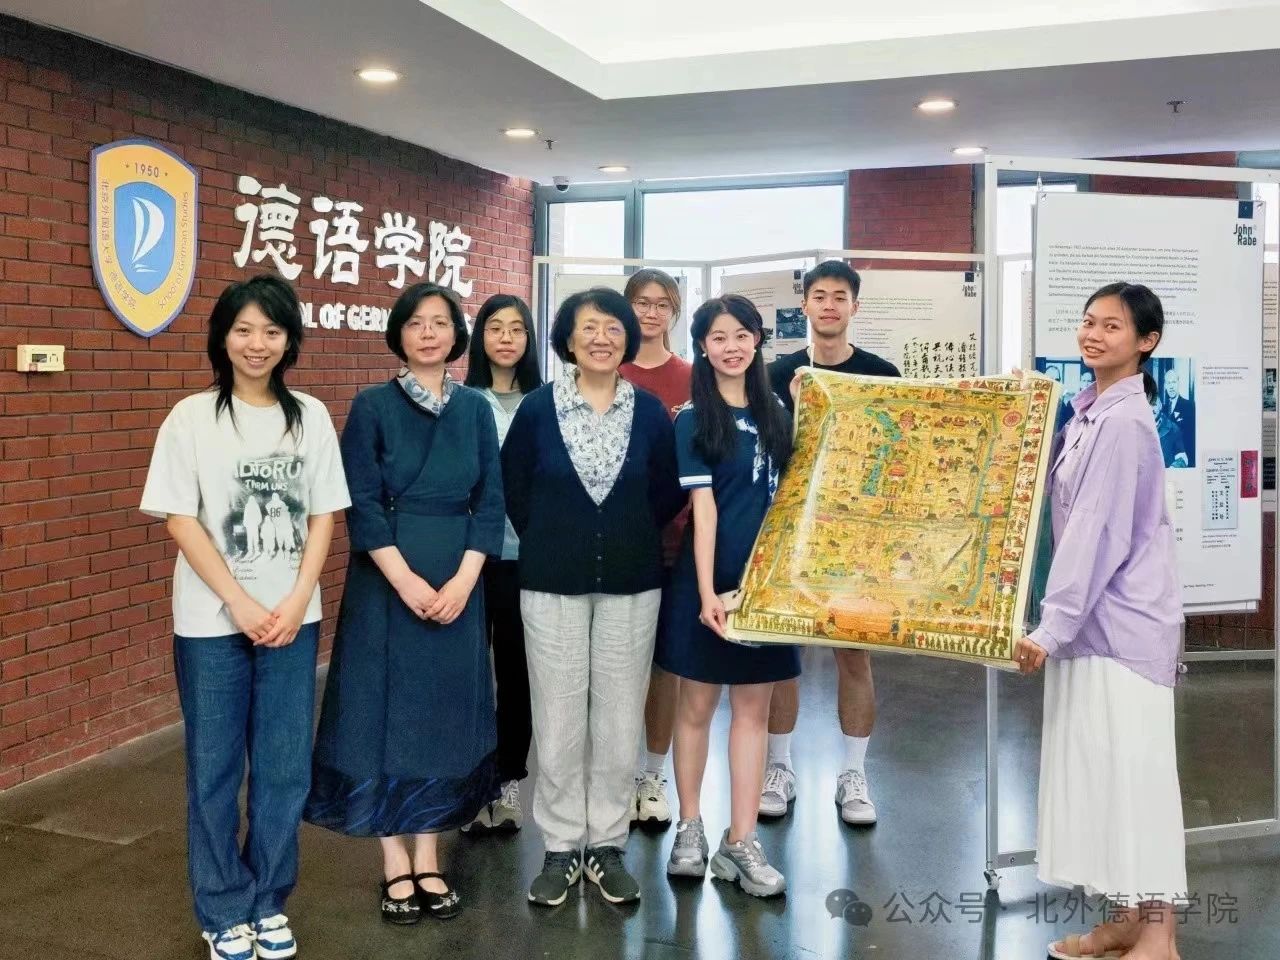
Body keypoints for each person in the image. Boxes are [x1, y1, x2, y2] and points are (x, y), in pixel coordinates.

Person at [140, 275, 350, 960]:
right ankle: (223, 907)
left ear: (289, 341)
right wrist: (238, 600)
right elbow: (179, 519)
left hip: (292, 621)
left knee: (285, 770)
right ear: (223, 337)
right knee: (214, 769)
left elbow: (324, 516)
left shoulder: (309, 416)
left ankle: (267, 901)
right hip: (211, 623)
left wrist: (296, 600)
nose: (257, 344)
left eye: (272, 331)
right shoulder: (191, 418)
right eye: (244, 330)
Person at [304, 283, 505, 924]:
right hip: (386, 583)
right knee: (382, 714)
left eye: (440, 322)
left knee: (443, 715)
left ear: (455, 335)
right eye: (416, 323)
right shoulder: (371, 406)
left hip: (458, 580)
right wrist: (406, 581)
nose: (428, 333)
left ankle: (429, 854)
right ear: (399, 333)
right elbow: (360, 502)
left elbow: (491, 503)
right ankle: (394, 859)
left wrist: (464, 581)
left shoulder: (475, 409)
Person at [1013, 282, 1185, 960]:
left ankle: (1160, 936)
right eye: (1088, 322)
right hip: (1093, 625)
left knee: (1137, 784)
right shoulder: (1089, 411)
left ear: (1146, 341)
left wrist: (1049, 628)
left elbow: (1096, 532)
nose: (1093, 334)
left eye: (1112, 326)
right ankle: (1124, 920)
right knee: (1104, 779)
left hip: (1123, 630)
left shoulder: (1122, 423)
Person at [502, 287, 685, 907]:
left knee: (617, 717)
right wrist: (558, 537)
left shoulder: (651, 412)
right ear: (568, 338)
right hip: (552, 581)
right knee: (556, 718)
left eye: (612, 327)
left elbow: (666, 492)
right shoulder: (537, 409)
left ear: (628, 336)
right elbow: (515, 489)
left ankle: (606, 844)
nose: (601, 337)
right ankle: (560, 847)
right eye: (588, 327)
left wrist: (624, 532)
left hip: (632, 582)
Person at [659, 294, 797, 897]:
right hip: (710, 582)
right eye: (718, 337)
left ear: (758, 340)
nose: (732, 347)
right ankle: (689, 827)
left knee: (753, 713)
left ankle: (741, 841)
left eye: (742, 335)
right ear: (702, 346)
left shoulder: (779, 413)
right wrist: (709, 591)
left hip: (766, 588)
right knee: (695, 708)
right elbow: (705, 511)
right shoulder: (693, 418)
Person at [763, 259, 899, 825]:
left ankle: (854, 774)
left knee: (854, 653)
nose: (828, 305)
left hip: (857, 536)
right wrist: (795, 409)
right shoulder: (777, 373)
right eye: (819, 296)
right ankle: (779, 766)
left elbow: (895, 452)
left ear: (854, 307)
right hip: (789, 528)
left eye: (839, 297)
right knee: (782, 654)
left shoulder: (881, 373)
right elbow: (767, 452)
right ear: (805, 305)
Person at [461, 293, 543, 834]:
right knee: (468, 674)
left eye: (517, 328)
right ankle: (470, 783)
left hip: (525, 559)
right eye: (495, 327)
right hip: (469, 559)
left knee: (517, 674)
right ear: (480, 337)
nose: (507, 338)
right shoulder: (461, 400)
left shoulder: (546, 402)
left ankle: (509, 778)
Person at [619, 267, 693, 828]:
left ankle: (652, 775)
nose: (651, 312)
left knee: (666, 667)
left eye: (661, 303)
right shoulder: (607, 372)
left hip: (679, 543)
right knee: (618, 666)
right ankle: (616, 774)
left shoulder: (693, 378)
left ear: (674, 312)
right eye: (641, 302)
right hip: (618, 546)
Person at [1161, 369, 1195, 466]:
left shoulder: (1190, 406)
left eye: (1174, 382)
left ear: (1178, 383)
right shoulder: (1163, 409)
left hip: (1184, 461)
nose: (1171, 386)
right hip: (1167, 463)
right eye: (1168, 383)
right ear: (1165, 386)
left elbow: (1192, 438)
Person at [1150, 395, 1189, 469]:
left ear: (1160, 406)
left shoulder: (1173, 428)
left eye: (1154, 404)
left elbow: (1182, 458)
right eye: (1148, 405)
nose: (1151, 409)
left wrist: (1173, 468)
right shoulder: (1137, 429)